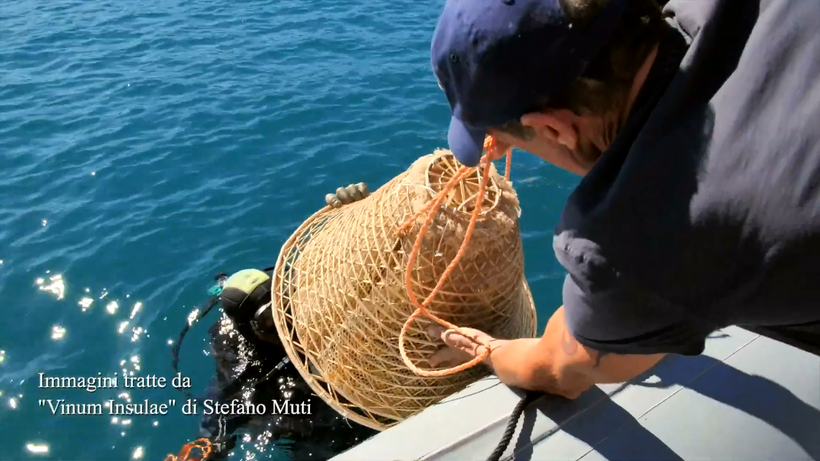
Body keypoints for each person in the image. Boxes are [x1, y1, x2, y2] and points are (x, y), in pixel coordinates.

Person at [424, 0, 820, 400]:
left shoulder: (634, 243)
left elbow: (558, 367)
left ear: (555, 129)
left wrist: (490, 350)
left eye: (511, 144)